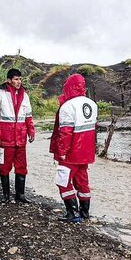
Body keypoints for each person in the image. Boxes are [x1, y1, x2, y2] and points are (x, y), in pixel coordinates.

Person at [50, 74, 98, 223]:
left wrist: (62, 152)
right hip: (86, 153)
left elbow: (65, 132)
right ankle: (85, 212)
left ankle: (72, 212)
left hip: (71, 153)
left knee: (62, 181)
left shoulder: (67, 106)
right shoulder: (92, 104)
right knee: (82, 181)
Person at [0, 68, 35, 204]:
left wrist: (31, 131)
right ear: (9, 80)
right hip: (6, 138)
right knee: (4, 166)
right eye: (16, 79)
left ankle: (20, 195)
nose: (18, 82)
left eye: (20, 79)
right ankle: (5, 195)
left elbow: (28, 117)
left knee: (22, 166)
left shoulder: (25, 95)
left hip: (20, 138)